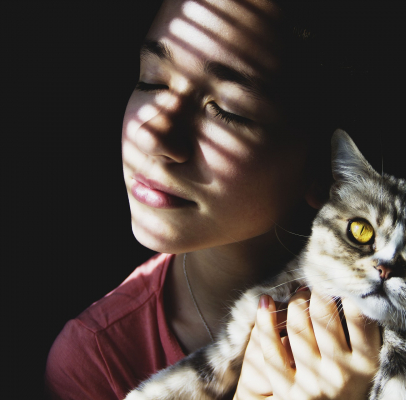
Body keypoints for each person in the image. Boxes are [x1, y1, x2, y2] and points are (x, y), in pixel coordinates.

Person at [45, 1, 380, 399]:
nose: (155, 135)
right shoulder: (97, 363)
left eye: (227, 110)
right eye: (152, 81)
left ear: (328, 167)